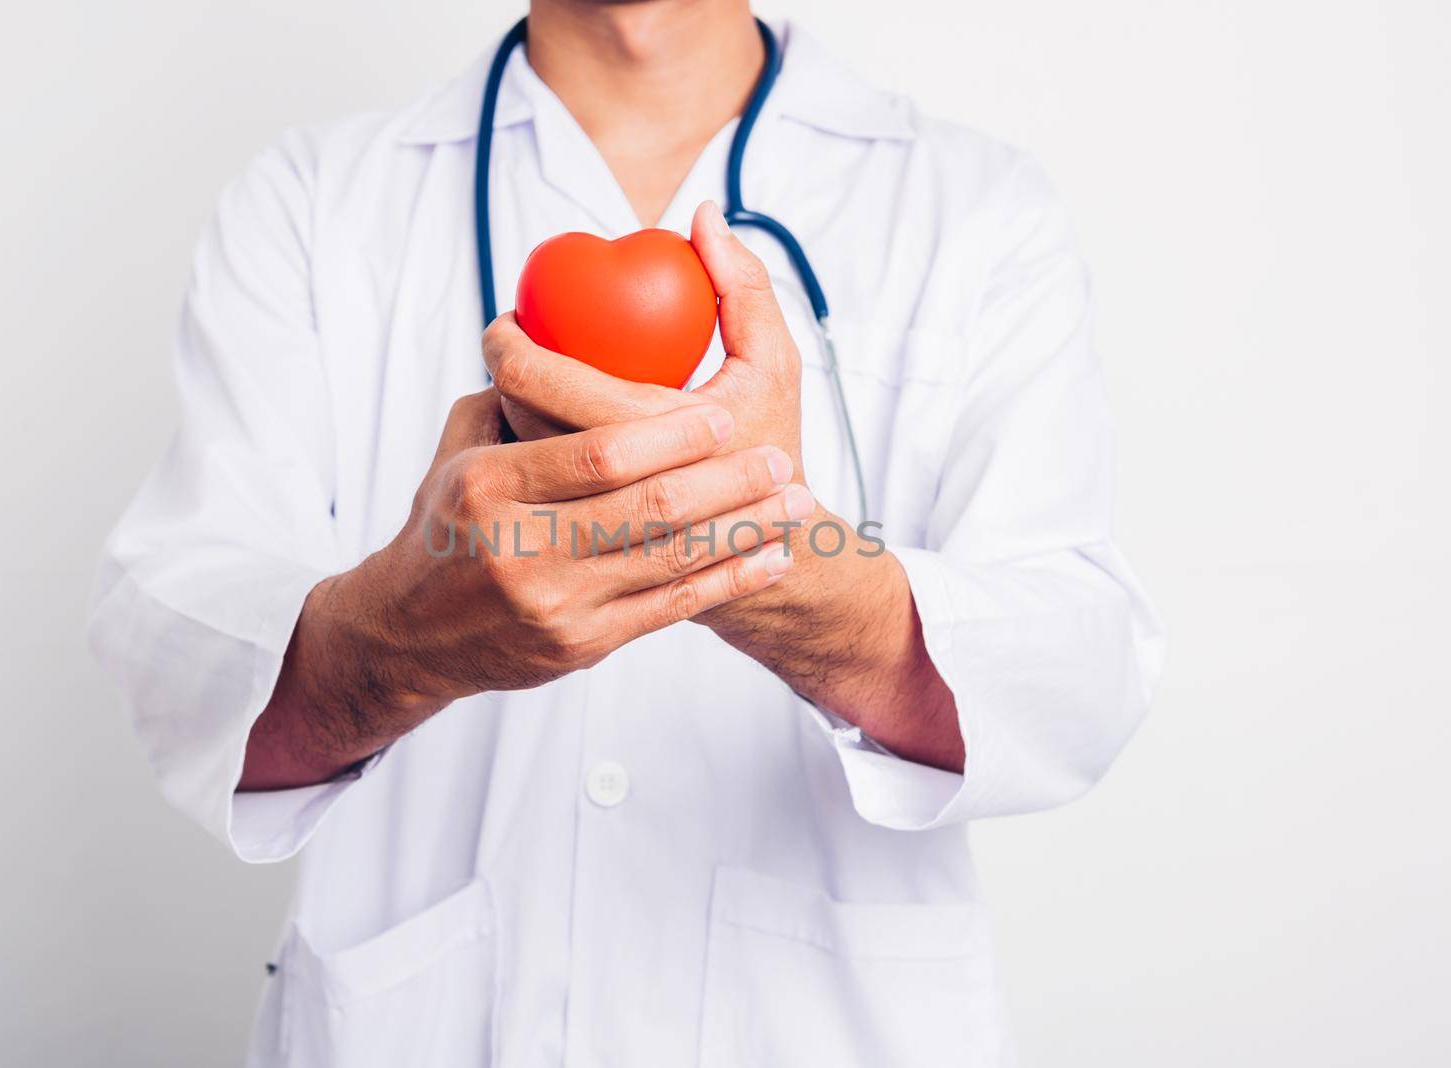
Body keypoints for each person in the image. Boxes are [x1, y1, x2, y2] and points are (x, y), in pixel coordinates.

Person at [89, 0, 1163, 1063]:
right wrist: (395, 640)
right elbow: (177, 656)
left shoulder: (974, 207)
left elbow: (1076, 676)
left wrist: (787, 563)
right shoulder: (313, 201)